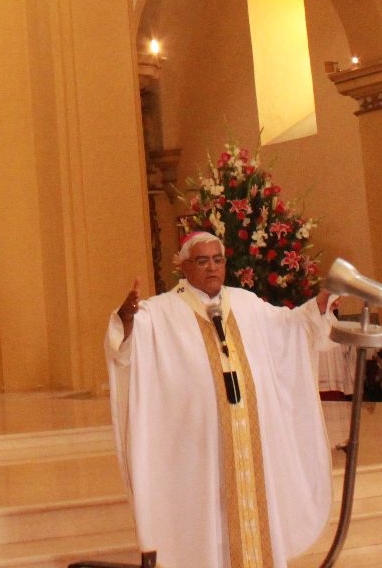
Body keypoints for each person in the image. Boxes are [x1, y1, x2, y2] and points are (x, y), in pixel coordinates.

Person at [107, 231, 334, 568]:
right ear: (184, 267)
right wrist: (125, 317)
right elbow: (126, 348)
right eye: (202, 261)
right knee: (206, 522)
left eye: (218, 259)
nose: (212, 268)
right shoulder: (161, 311)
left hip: (248, 440)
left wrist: (318, 306)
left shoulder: (246, 303)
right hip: (198, 451)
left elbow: (290, 327)